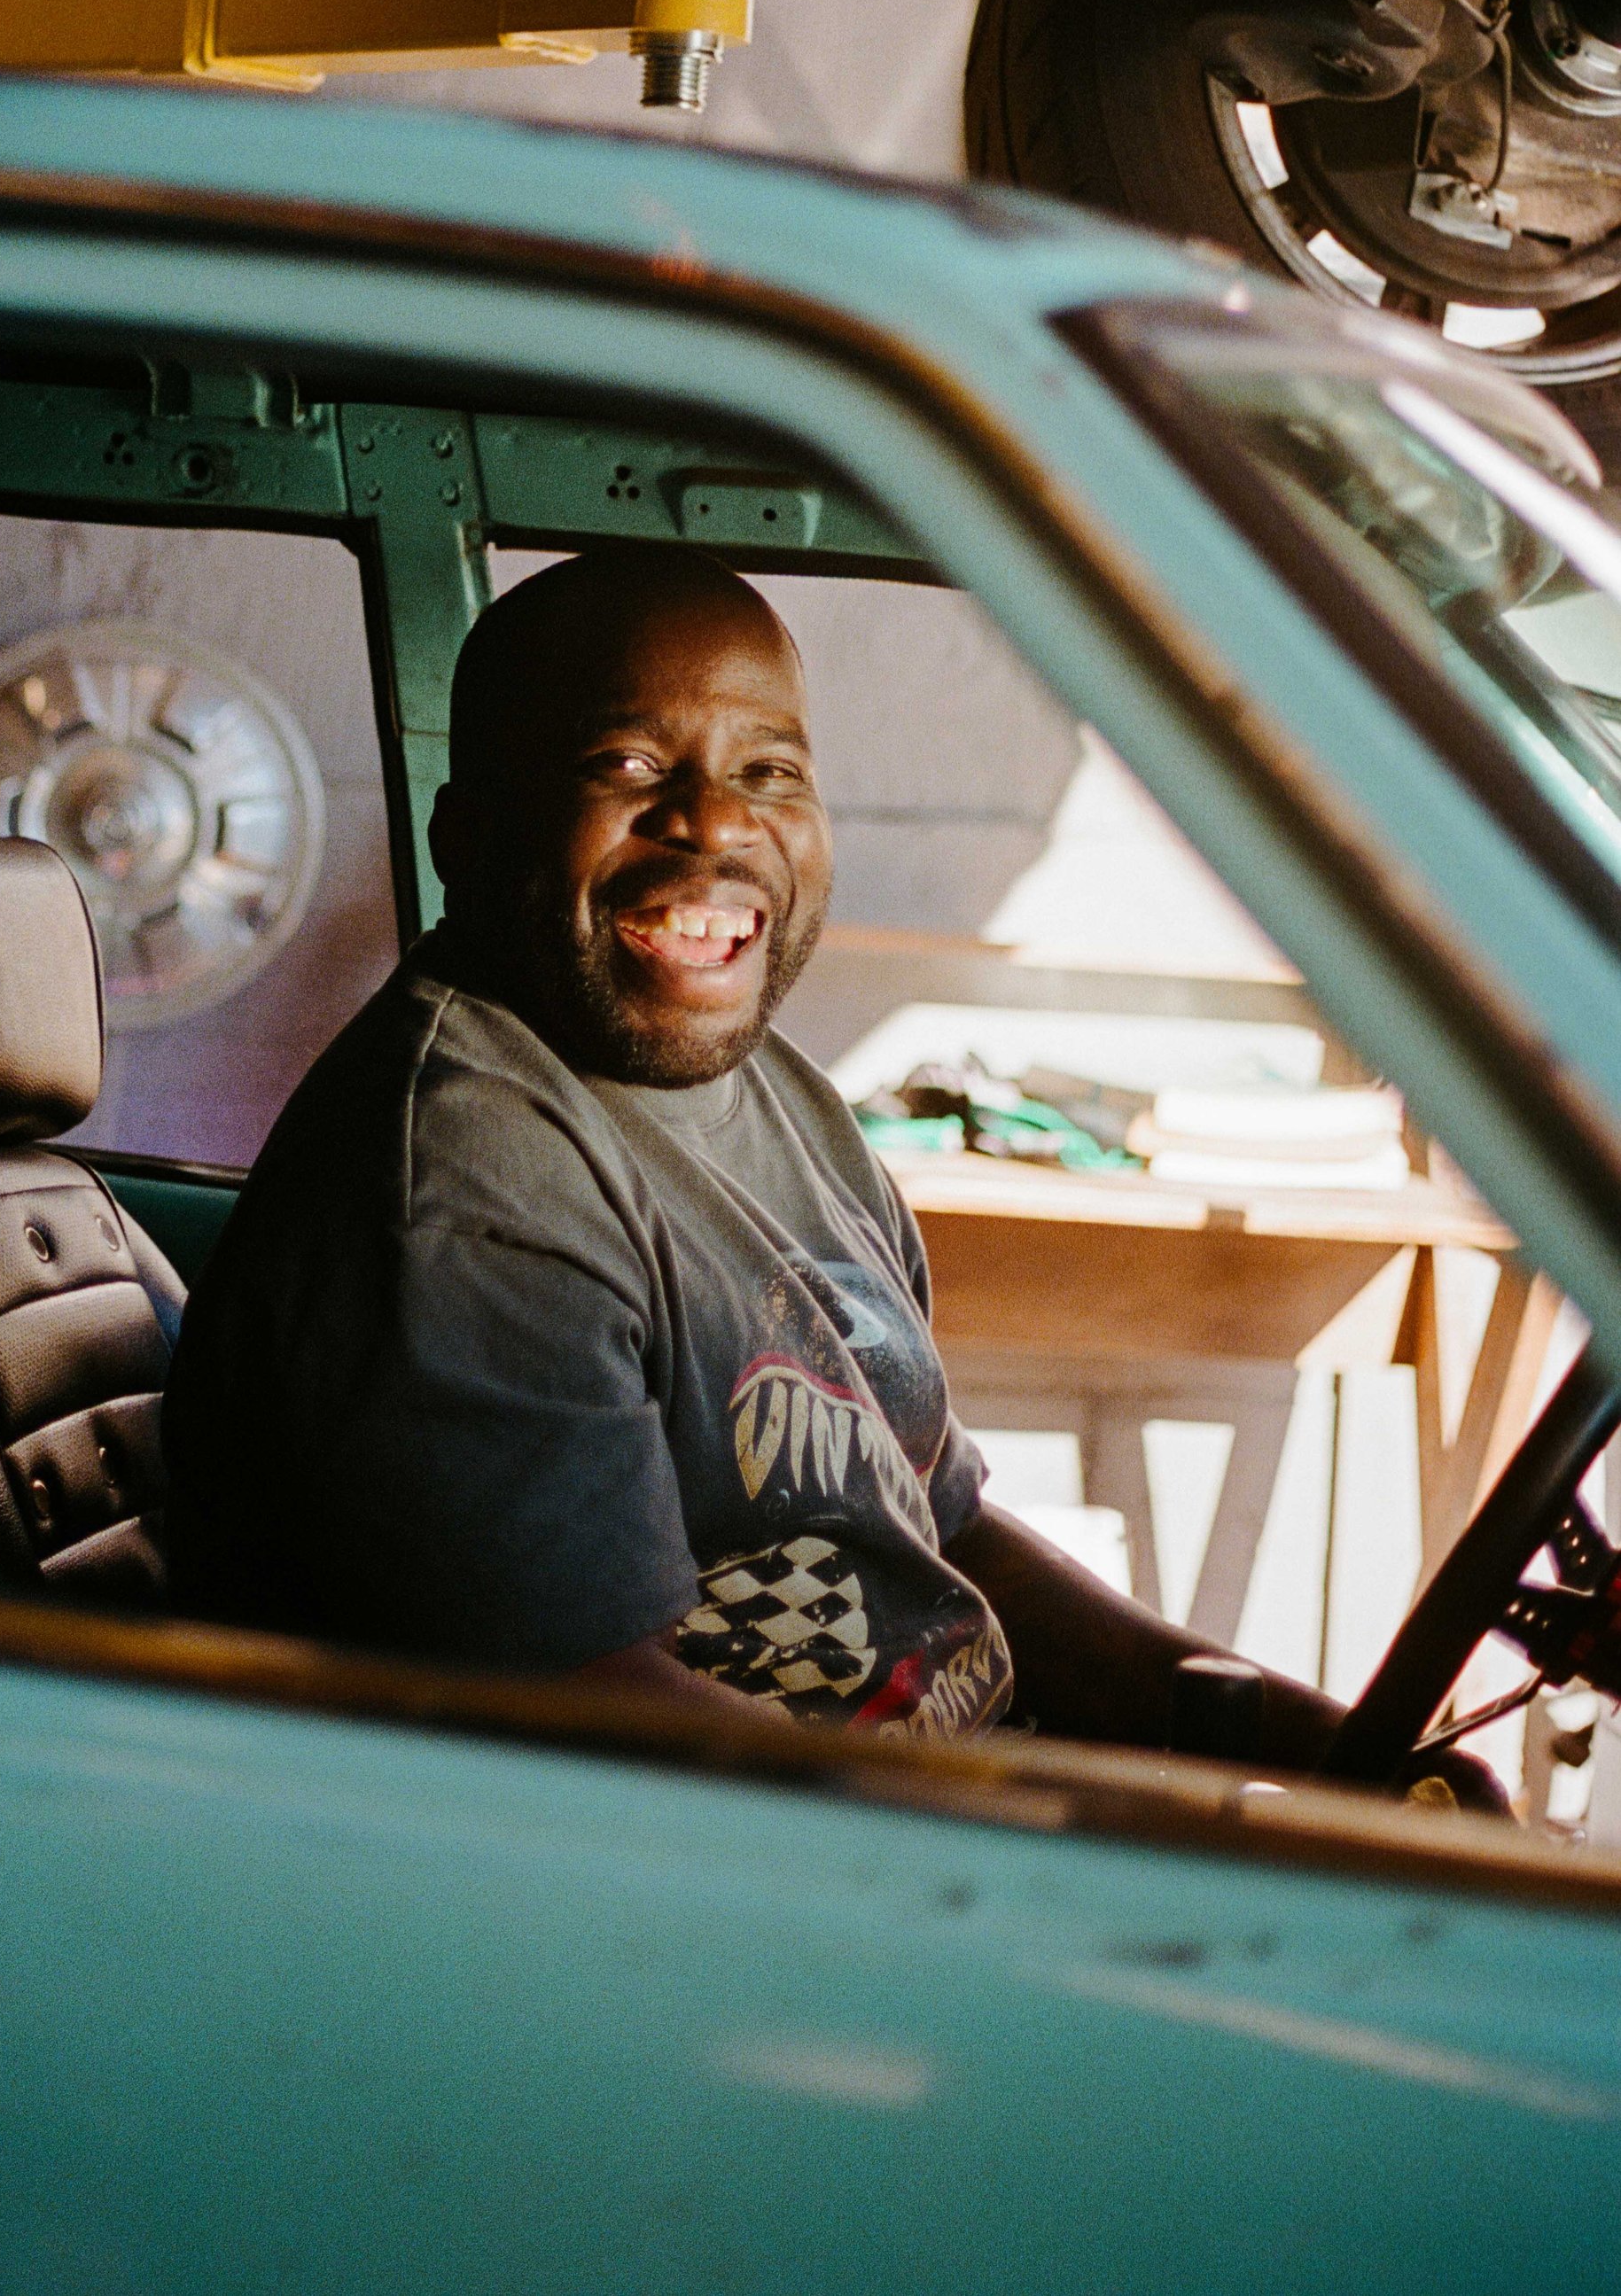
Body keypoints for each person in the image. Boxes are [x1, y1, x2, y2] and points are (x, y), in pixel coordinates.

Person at [163, 548, 1352, 1761]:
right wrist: (1045, 1840)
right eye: (627, 764)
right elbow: (599, 1742)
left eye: (769, 770)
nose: (717, 820)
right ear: (466, 837)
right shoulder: (466, 1193)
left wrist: (1303, 1735)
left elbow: (942, 1531)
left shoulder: (784, 1102)